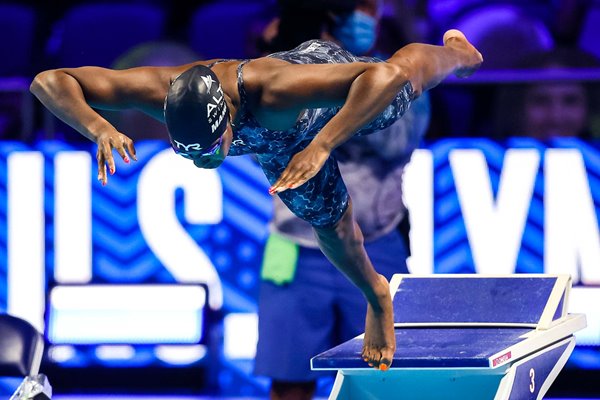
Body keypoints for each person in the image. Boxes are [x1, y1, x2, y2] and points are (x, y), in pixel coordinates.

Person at [30, 29, 483, 372]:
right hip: (276, 142)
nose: (205, 163)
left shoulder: (276, 89)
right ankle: (377, 291)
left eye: (211, 149)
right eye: (190, 152)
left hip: (321, 105)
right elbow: (49, 80)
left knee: (403, 87)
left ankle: (459, 54)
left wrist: (322, 145)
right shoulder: (156, 89)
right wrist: (98, 126)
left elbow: (382, 74)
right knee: (330, 222)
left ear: (226, 117)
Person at [253, 1, 431, 399]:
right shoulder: (282, 72)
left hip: (377, 245)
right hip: (293, 248)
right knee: (288, 383)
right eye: (352, 7)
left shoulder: (397, 75)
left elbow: (395, 142)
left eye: (370, 7)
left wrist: (342, 84)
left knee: (385, 382)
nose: (362, 17)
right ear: (326, 14)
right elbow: (263, 133)